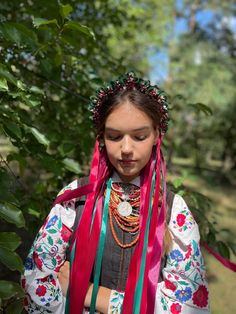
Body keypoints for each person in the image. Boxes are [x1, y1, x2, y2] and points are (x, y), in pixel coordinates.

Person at [22, 72, 210, 313]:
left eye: (140, 136)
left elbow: (189, 303)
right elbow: (36, 281)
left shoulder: (175, 210)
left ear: (156, 136)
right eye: (114, 137)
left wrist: (90, 293)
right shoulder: (75, 198)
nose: (126, 149)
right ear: (101, 139)